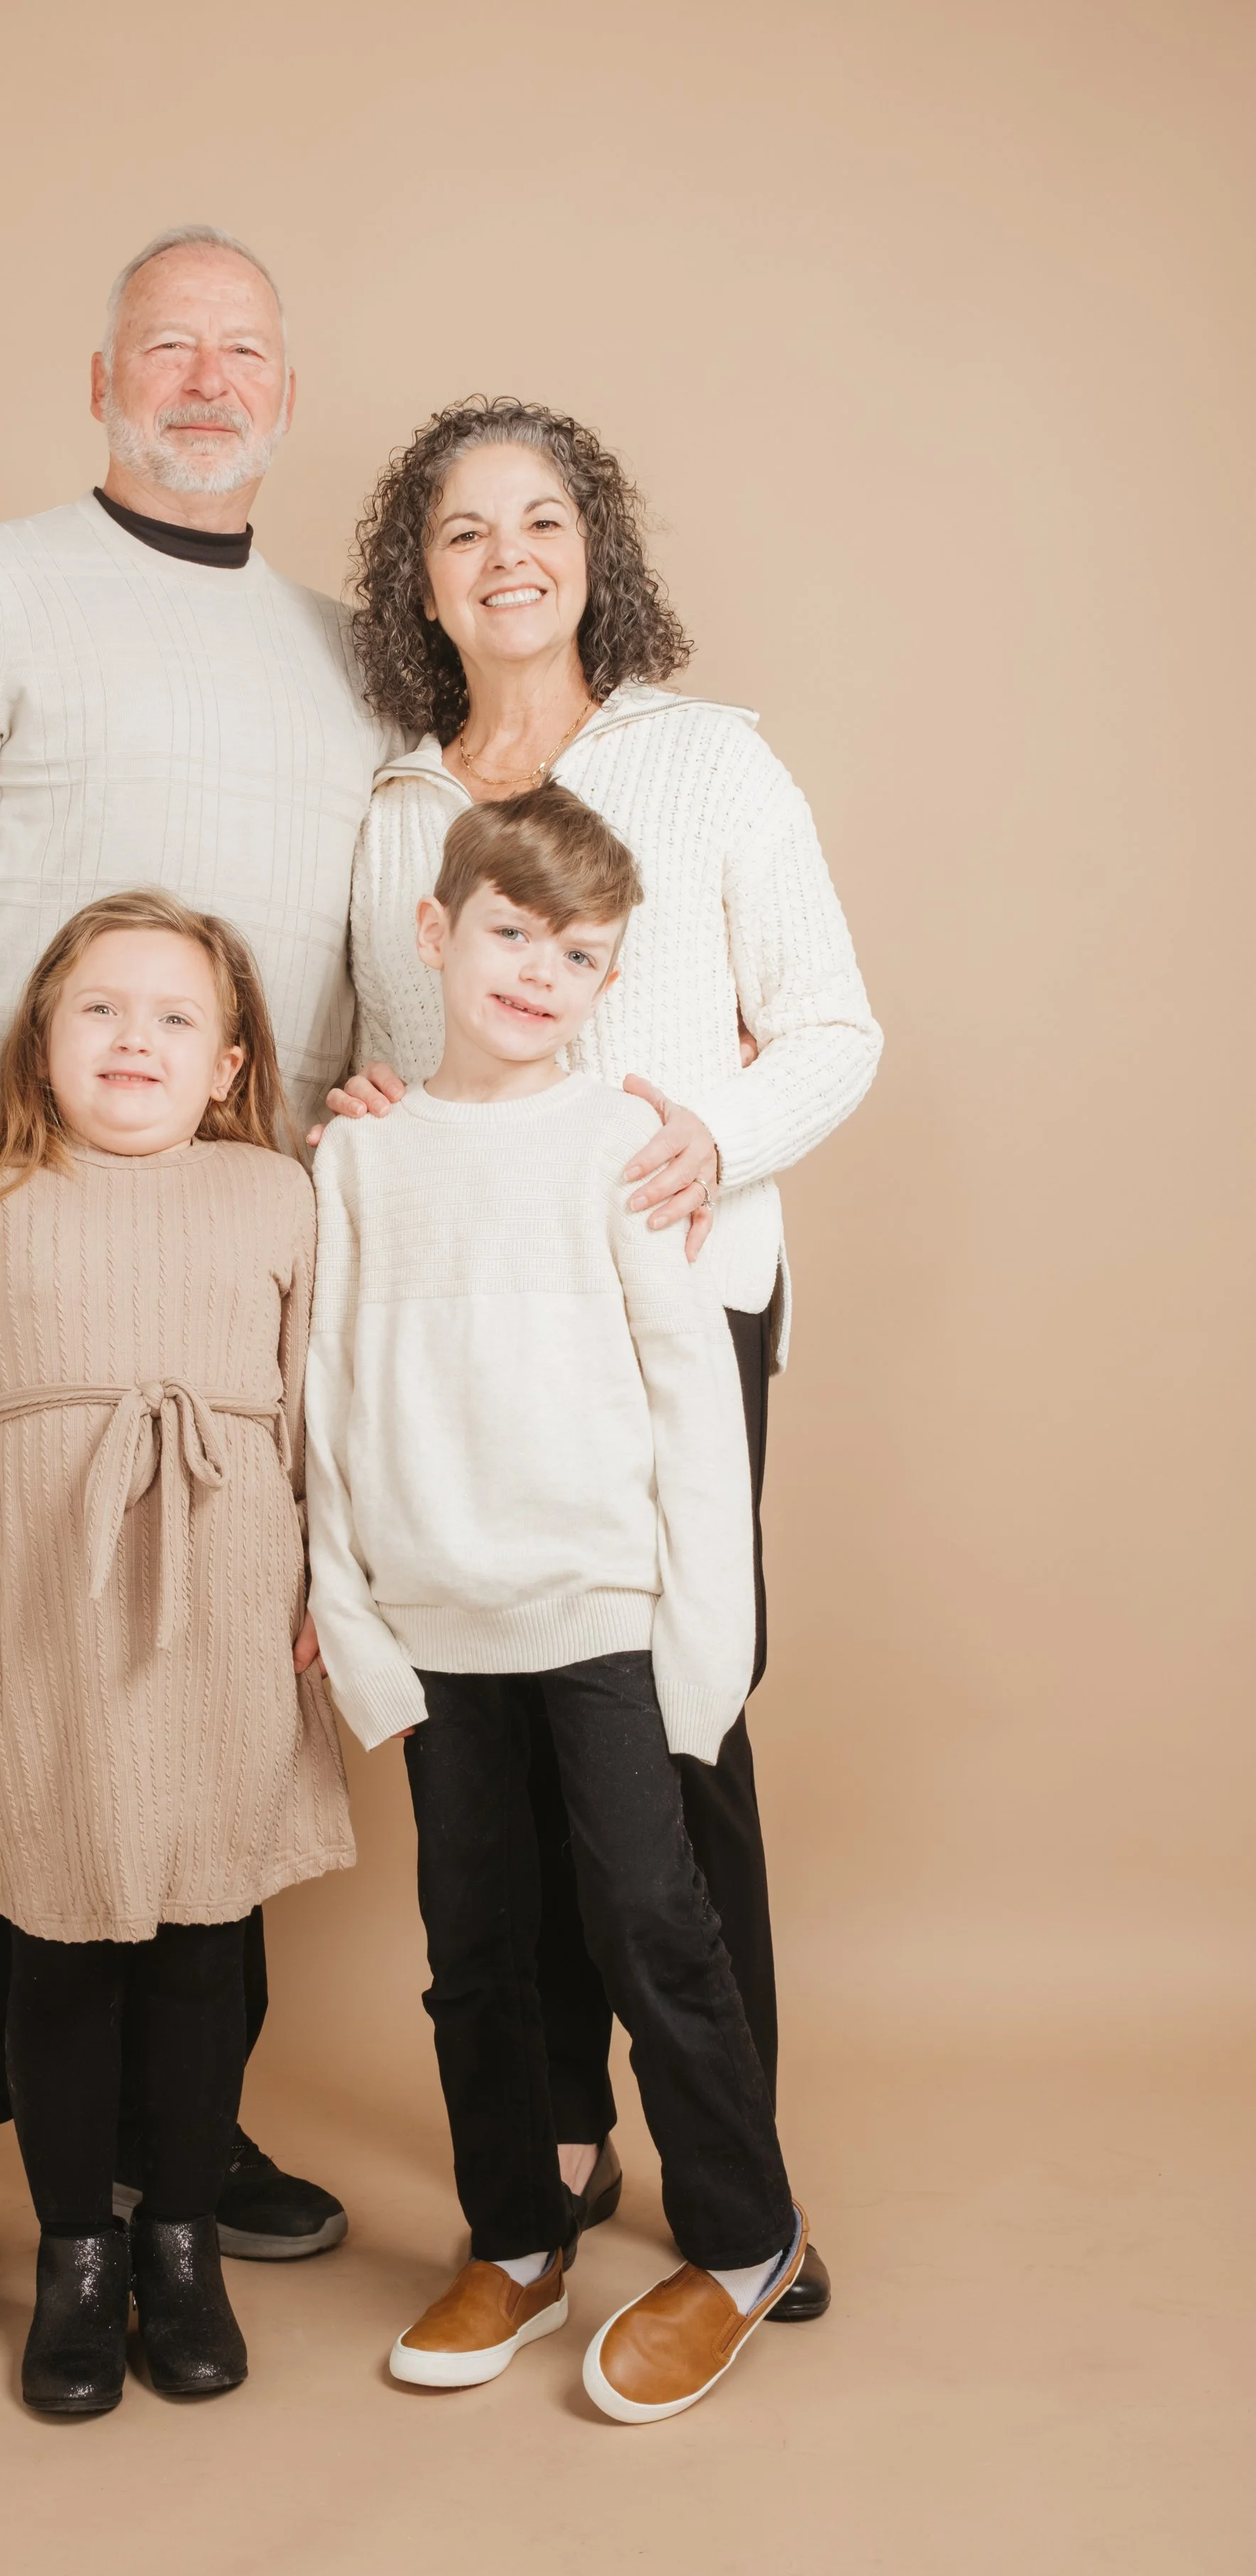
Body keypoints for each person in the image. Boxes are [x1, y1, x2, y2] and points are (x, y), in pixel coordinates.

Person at [0, 225, 382, 2365]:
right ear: (101, 376)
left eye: (246, 350)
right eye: (172, 345)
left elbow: (366, 934)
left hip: (234, 1257)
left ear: (285, 397)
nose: (209, 379)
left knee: (213, 1732)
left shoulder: (344, 654)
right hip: (9, 1234)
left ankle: (178, 2136)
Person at [331, 397, 883, 2321]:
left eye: (540, 518)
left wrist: (712, 1141)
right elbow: (372, 1039)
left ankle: (741, 2177)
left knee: (669, 1731)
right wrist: (369, 1094)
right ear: (418, 574)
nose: (505, 556)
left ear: (593, 546)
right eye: (461, 528)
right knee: (493, 1730)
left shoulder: (713, 765)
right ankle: (551, 2133)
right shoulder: (394, 803)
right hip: (464, 1336)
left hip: (675, 1298)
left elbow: (829, 1025)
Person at [308, 788, 807, 2420]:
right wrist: (360, 1630)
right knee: (474, 1952)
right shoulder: (361, 1155)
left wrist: (697, 1659)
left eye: (576, 952)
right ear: (435, 933)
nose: (537, 970)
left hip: (597, 1613)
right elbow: (321, 1406)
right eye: (509, 933)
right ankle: (514, 2240)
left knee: (651, 1926)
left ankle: (742, 2243)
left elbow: (688, 1408)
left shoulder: (617, 1145)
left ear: (607, 980)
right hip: (434, 1617)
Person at [0, 891, 353, 2414]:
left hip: (226, 1622)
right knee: (55, 1948)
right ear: (42, 1043)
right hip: (44, 1640)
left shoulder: (279, 1199)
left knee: (201, 1949)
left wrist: (340, 1584)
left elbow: (326, 1420)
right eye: (100, 1010)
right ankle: (75, 2254)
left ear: (228, 1062)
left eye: (175, 1017)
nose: (135, 1037)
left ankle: (174, 2244)